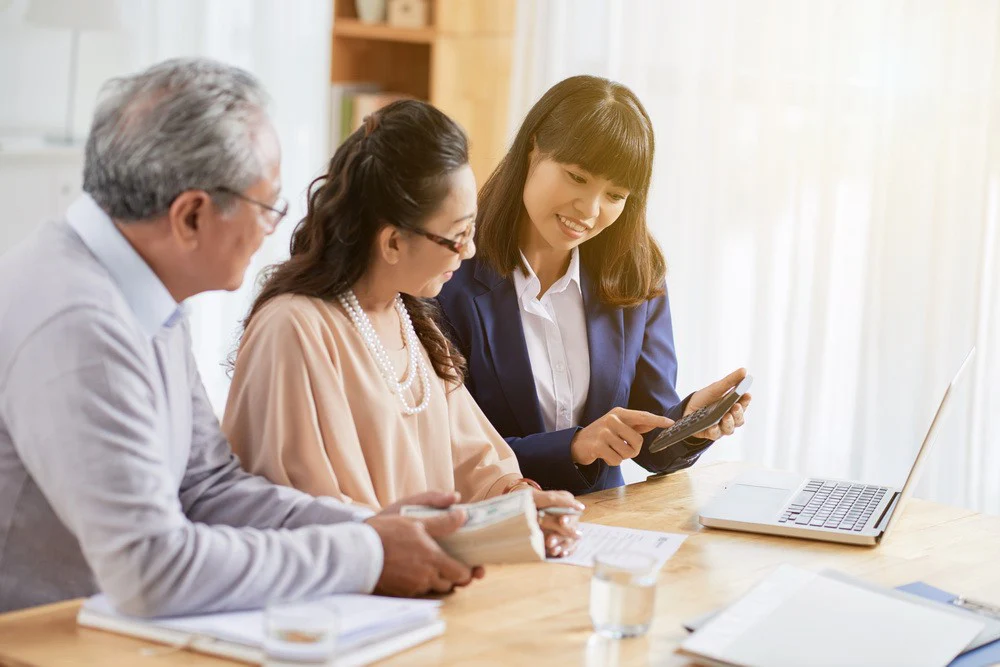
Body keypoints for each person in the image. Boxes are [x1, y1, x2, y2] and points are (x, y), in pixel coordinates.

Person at [0, 58, 479, 616]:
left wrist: (372, 526)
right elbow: (151, 570)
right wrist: (366, 552)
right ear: (192, 216)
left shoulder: (140, 291)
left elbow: (207, 486)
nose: (275, 229)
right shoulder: (81, 325)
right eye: (267, 206)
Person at [223, 100, 583, 558]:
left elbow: (473, 462)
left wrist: (520, 505)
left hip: (417, 585)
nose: (470, 252)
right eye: (458, 235)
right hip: (347, 599)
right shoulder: (294, 329)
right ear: (393, 241)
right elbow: (301, 511)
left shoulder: (408, 317)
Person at [437, 75, 752, 495]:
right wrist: (574, 446)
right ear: (533, 147)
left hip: (603, 531)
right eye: (577, 177)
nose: (589, 210)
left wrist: (691, 425)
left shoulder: (635, 274)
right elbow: (445, 449)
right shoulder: (446, 278)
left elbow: (648, 442)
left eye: (615, 195)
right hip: (494, 528)